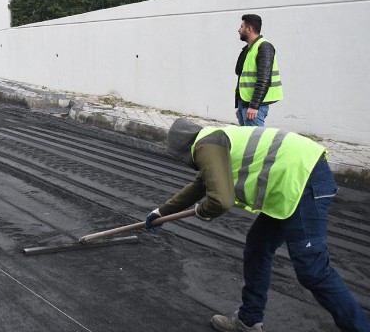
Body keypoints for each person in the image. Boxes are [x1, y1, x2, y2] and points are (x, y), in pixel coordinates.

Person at [145, 118, 370, 332]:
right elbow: (201, 185)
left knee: (313, 271)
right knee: (258, 247)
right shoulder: (214, 139)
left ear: (183, 150)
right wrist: (161, 212)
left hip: (304, 181)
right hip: (290, 186)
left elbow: (221, 200)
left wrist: (202, 211)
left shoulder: (205, 146)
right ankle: (249, 320)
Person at [235, 14, 283, 127]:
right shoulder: (248, 49)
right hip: (245, 104)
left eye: (241, 26)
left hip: (255, 106)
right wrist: (239, 105)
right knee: (247, 140)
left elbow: (264, 79)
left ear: (249, 29)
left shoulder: (264, 47)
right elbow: (241, 77)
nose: (238, 30)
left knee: (256, 142)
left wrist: (254, 106)